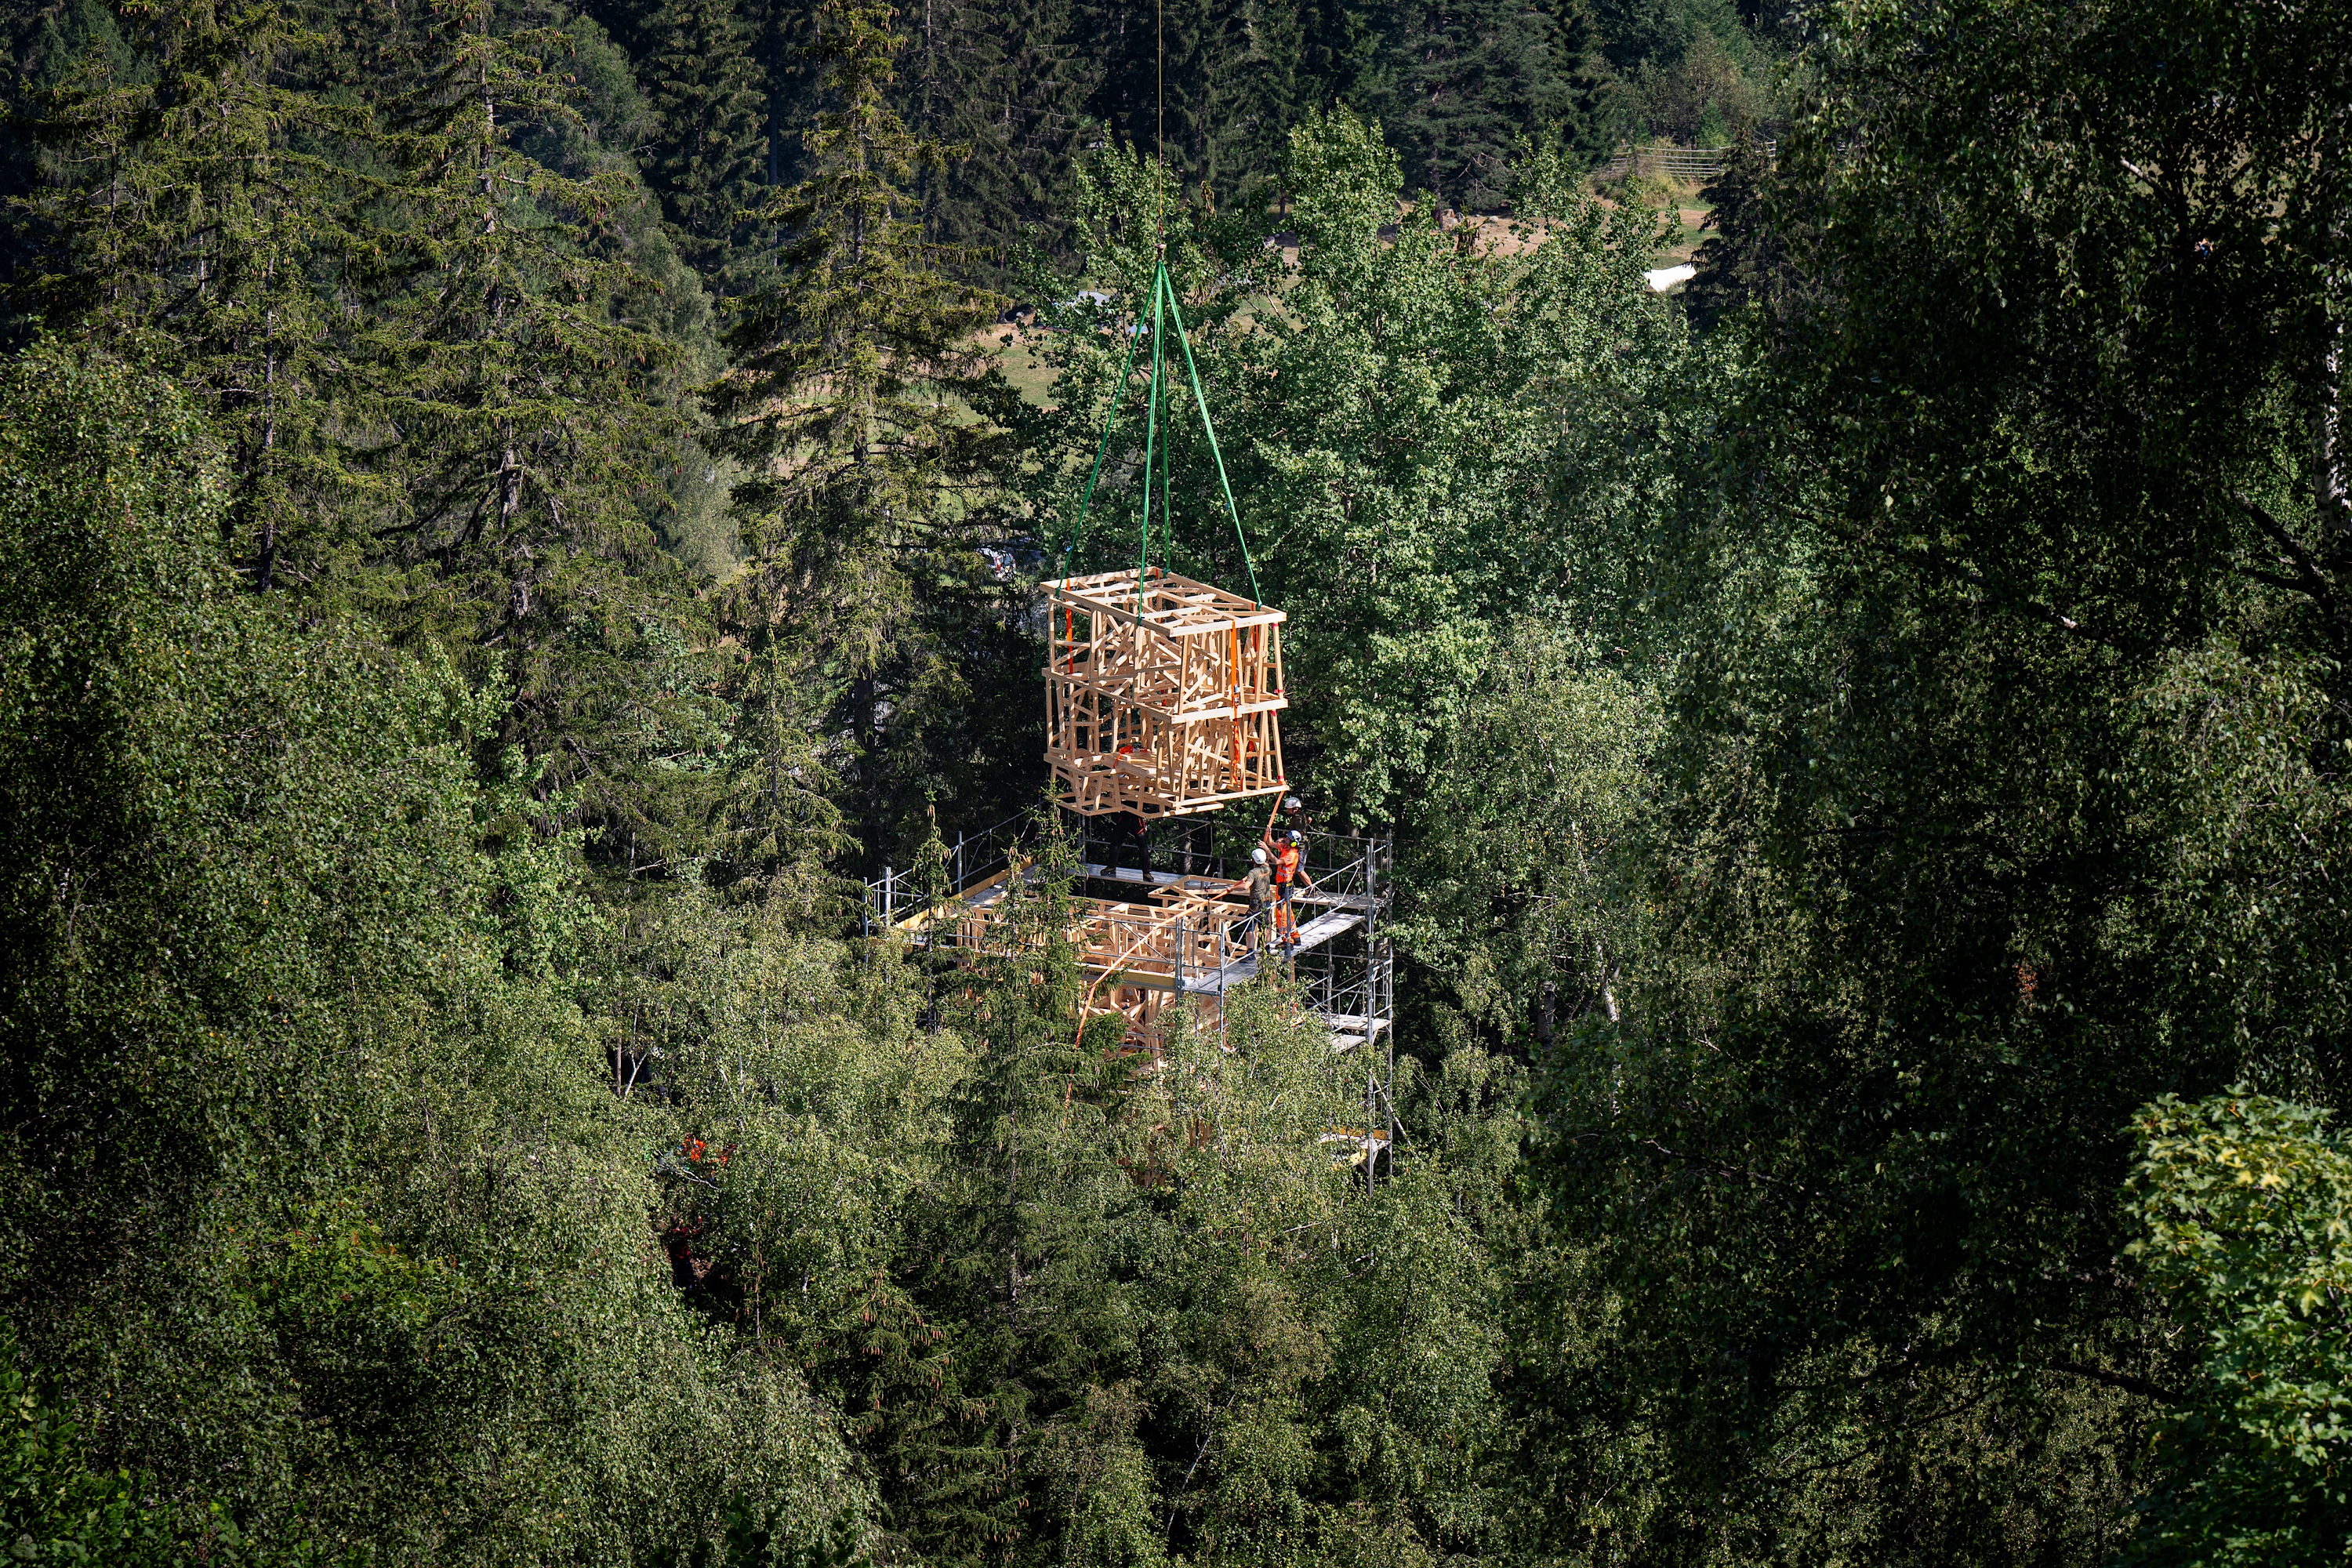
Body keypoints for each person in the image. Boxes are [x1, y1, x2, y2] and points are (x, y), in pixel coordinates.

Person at [1231, 847, 1275, 952]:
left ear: (1253, 860)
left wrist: (1232, 889)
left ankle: (1250, 952)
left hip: (1256, 903)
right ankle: (1267, 948)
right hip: (1267, 901)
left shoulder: (1253, 873)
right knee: (1265, 924)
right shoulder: (1268, 870)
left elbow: (1245, 886)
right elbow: (1266, 865)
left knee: (1249, 925)